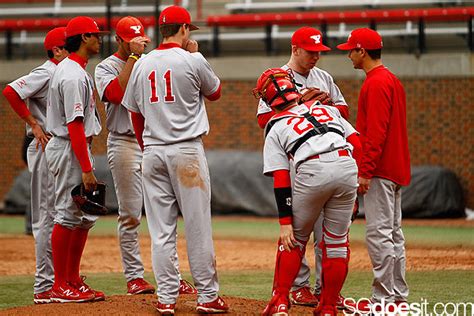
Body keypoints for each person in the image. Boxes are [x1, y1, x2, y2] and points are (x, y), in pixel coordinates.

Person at [121, 6, 229, 314]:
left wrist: (146, 147)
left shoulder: (142, 63)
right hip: (186, 151)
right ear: (183, 29)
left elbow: (134, 112)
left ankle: (166, 297)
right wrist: (196, 54)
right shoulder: (192, 59)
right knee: (197, 226)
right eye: (188, 30)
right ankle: (207, 297)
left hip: (153, 151)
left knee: (161, 230)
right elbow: (217, 92)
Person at [94, 15, 196, 296]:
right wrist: (133, 59)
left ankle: (172, 277)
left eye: (141, 40)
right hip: (123, 142)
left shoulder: (150, 61)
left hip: (152, 142)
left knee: (165, 213)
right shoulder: (106, 66)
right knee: (130, 214)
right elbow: (115, 93)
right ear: (119, 41)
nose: (138, 44)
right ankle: (134, 277)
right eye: (131, 41)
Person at [256, 26, 349, 308]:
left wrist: (325, 103)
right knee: (298, 230)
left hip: (327, 158)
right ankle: (298, 286)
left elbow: (343, 112)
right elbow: (264, 120)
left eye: (319, 52)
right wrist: (299, 105)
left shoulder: (324, 77)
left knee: (327, 231)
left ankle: (327, 290)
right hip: (296, 162)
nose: (316, 57)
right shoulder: (277, 77)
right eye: (311, 51)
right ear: (295, 49)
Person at [337, 28, 411, 312]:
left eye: (351, 50)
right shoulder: (391, 79)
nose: (349, 55)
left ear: (362, 52)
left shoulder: (376, 83)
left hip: (380, 169)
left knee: (379, 234)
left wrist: (365, 170)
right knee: (393, 234)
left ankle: (383, 300)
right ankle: (397, 297)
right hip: (395, 167)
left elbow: (376, 133)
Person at [2, 27, 68, 304]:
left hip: (56, 147)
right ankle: (44, 285)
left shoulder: (65, 72)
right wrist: (33, 123)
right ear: (56, 50)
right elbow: (11, 91)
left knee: (61, 215)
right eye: (69, 44)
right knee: (46, 218)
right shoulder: (47, 71)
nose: (73, 47)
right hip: (44, 147)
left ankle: (59, 279)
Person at [45, 16, 108, 303]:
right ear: (83, 38)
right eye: (96, 35)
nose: (100, 39)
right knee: (67, 215)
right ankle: (60, 285)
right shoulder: (70, 74)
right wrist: (85, 167)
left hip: (76, 147)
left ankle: (72, 279)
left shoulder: (76, 70)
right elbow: (74, 125)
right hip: (69, 146)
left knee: (83, 217)